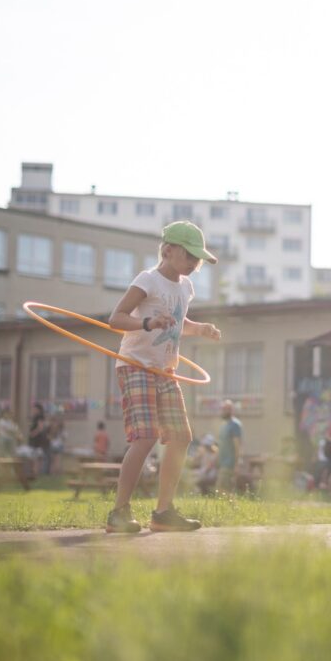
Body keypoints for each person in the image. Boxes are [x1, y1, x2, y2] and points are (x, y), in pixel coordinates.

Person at [106, 220, 221, 534]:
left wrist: (201, 329)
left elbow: (179, 321)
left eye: (198, 258)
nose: (195, 263)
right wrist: (147, 323)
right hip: (136, 365)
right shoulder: (148, 280)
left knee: (181, 437)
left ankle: (163, 512)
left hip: (165, 370)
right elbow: (115, 318)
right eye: (190, 255)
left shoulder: (186, 286)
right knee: (144, 437)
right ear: (168, 250)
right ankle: (119, 512)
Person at [216, 399, 243, 494]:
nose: (223, 411)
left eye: (226, 409)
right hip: (223, 463)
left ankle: (233, 507)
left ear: (231, 410)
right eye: (222, 409)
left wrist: (237, 464)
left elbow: (237, 445)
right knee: (224, 489)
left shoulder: (235, 425)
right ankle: (232, 507)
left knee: (222, 488)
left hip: (230, 463)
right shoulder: (223, 425)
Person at [28, 402, 51, 475]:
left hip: (37, 440)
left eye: (34, 409)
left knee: (36, 457)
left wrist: (33, 433)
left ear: (38, 410)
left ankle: (36, 473)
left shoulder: (40, 417)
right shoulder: (35, 417)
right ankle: (34, 472)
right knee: (34, 457)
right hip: (33, 440)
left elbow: (40, 427)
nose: (33, 410)